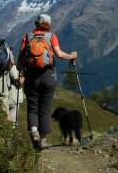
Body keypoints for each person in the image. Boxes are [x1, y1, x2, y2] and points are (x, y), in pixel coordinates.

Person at [18, 13, 77, 150]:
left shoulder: (27, 36)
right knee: (45, 107)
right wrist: (72, 56)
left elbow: (21, 57)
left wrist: (18, 73)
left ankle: (34, 133)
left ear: (37, 23)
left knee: (32, 106)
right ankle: (42, 140)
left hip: (31, 76)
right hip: (47, 76)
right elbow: (60, 54)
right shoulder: (51, 37)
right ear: (48, 25)